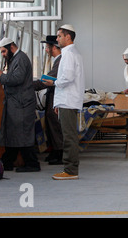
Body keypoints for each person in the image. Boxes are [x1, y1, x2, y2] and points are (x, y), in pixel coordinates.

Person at [43, 24, 85, 180]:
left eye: (59, 36)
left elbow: (67, 78)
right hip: (67, 100)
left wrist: (52, 83)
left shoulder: (68, 54)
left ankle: (71, 170)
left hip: (68, 100)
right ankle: (70, 168)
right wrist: (57, 103)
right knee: (69, 136)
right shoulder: (73, 53)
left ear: (68, 37)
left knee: (69, 137)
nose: (57, 38)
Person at [0, 37, 40, 172]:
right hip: (18, 103)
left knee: (23, 134)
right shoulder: (16, 58)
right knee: (15, 133)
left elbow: (17, 78)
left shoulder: (20, 59)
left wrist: (1, 76)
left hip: (22, 104)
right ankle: (7, 162)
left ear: (11, 48)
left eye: (4, 52)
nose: (3, 55)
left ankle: (32, 164)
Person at [33, 35, 63, 165]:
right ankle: (55, 151)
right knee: (51, 125)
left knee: (55, 125)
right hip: (53, 96)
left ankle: (59, 153)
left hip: (57, 97)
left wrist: (28, 85)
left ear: (54, 47)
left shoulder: (60, 60)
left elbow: (49, 79)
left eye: (47, 47)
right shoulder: (57, 60)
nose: (46, 50)